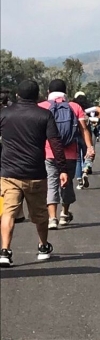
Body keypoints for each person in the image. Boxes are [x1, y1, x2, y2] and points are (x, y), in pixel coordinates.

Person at [0, 80, 68, 266]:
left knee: (8, 212)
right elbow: (55, 143)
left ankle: (5, 251)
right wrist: (62, 168)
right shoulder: (44, 115)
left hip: (9, 173)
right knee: (40, 214)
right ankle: (43, 247)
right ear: (38, 96)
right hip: (36, 173)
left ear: (17, 95)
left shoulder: (5, 114)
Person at [38, 79, 95, 229]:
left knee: (51, 184)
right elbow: (84, 129)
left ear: (48, 93)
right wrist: (89, 147)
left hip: (49, 152)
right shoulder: (74, 106)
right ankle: (64, 214)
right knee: (67, 184)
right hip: (70, 153)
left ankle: (52, 218)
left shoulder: (42, 106)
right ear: (65, 92)